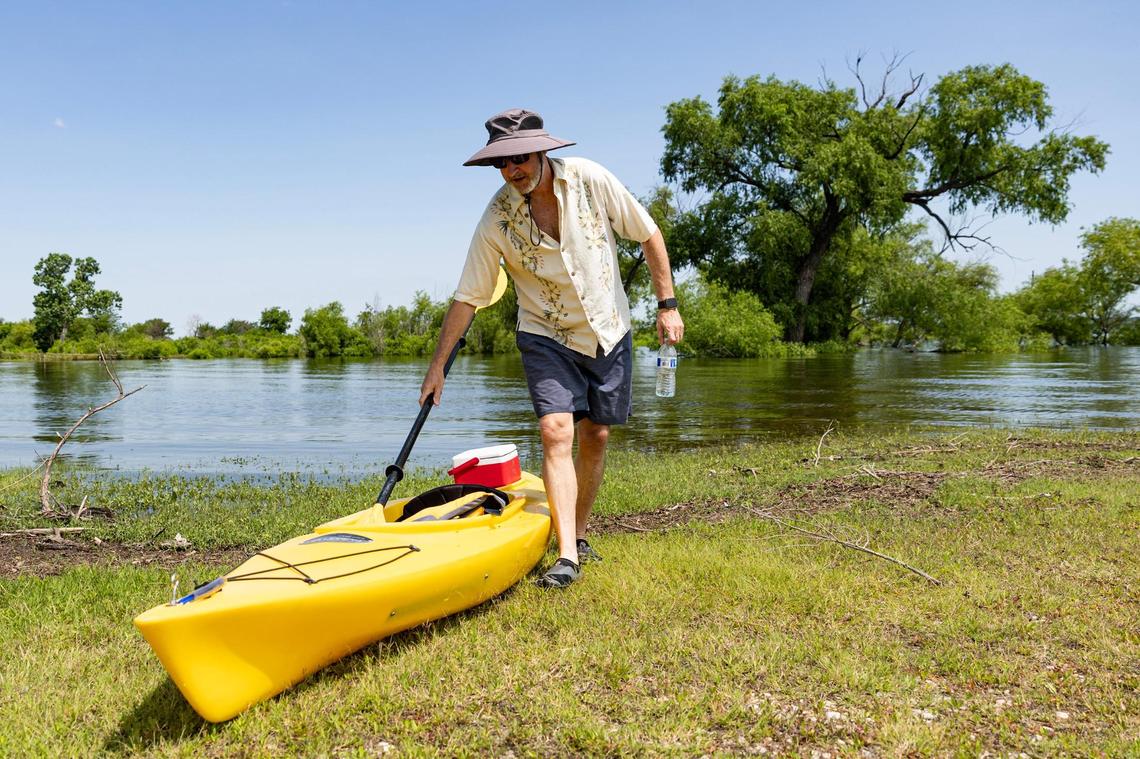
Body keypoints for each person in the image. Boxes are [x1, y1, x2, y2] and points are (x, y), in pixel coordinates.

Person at [419, 108, 684, 588]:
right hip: (544, 333)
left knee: (596, 436)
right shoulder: (496, 218)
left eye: (519, 157)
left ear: (542, 150)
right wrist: (437, 366)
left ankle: (578, 534)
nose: (512, 170)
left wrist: (667, 304)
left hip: (607, 326)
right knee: (556, 430)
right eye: (501, 163)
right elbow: (468, 296)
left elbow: (648, 233)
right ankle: (566, 557)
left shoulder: (589, 179)